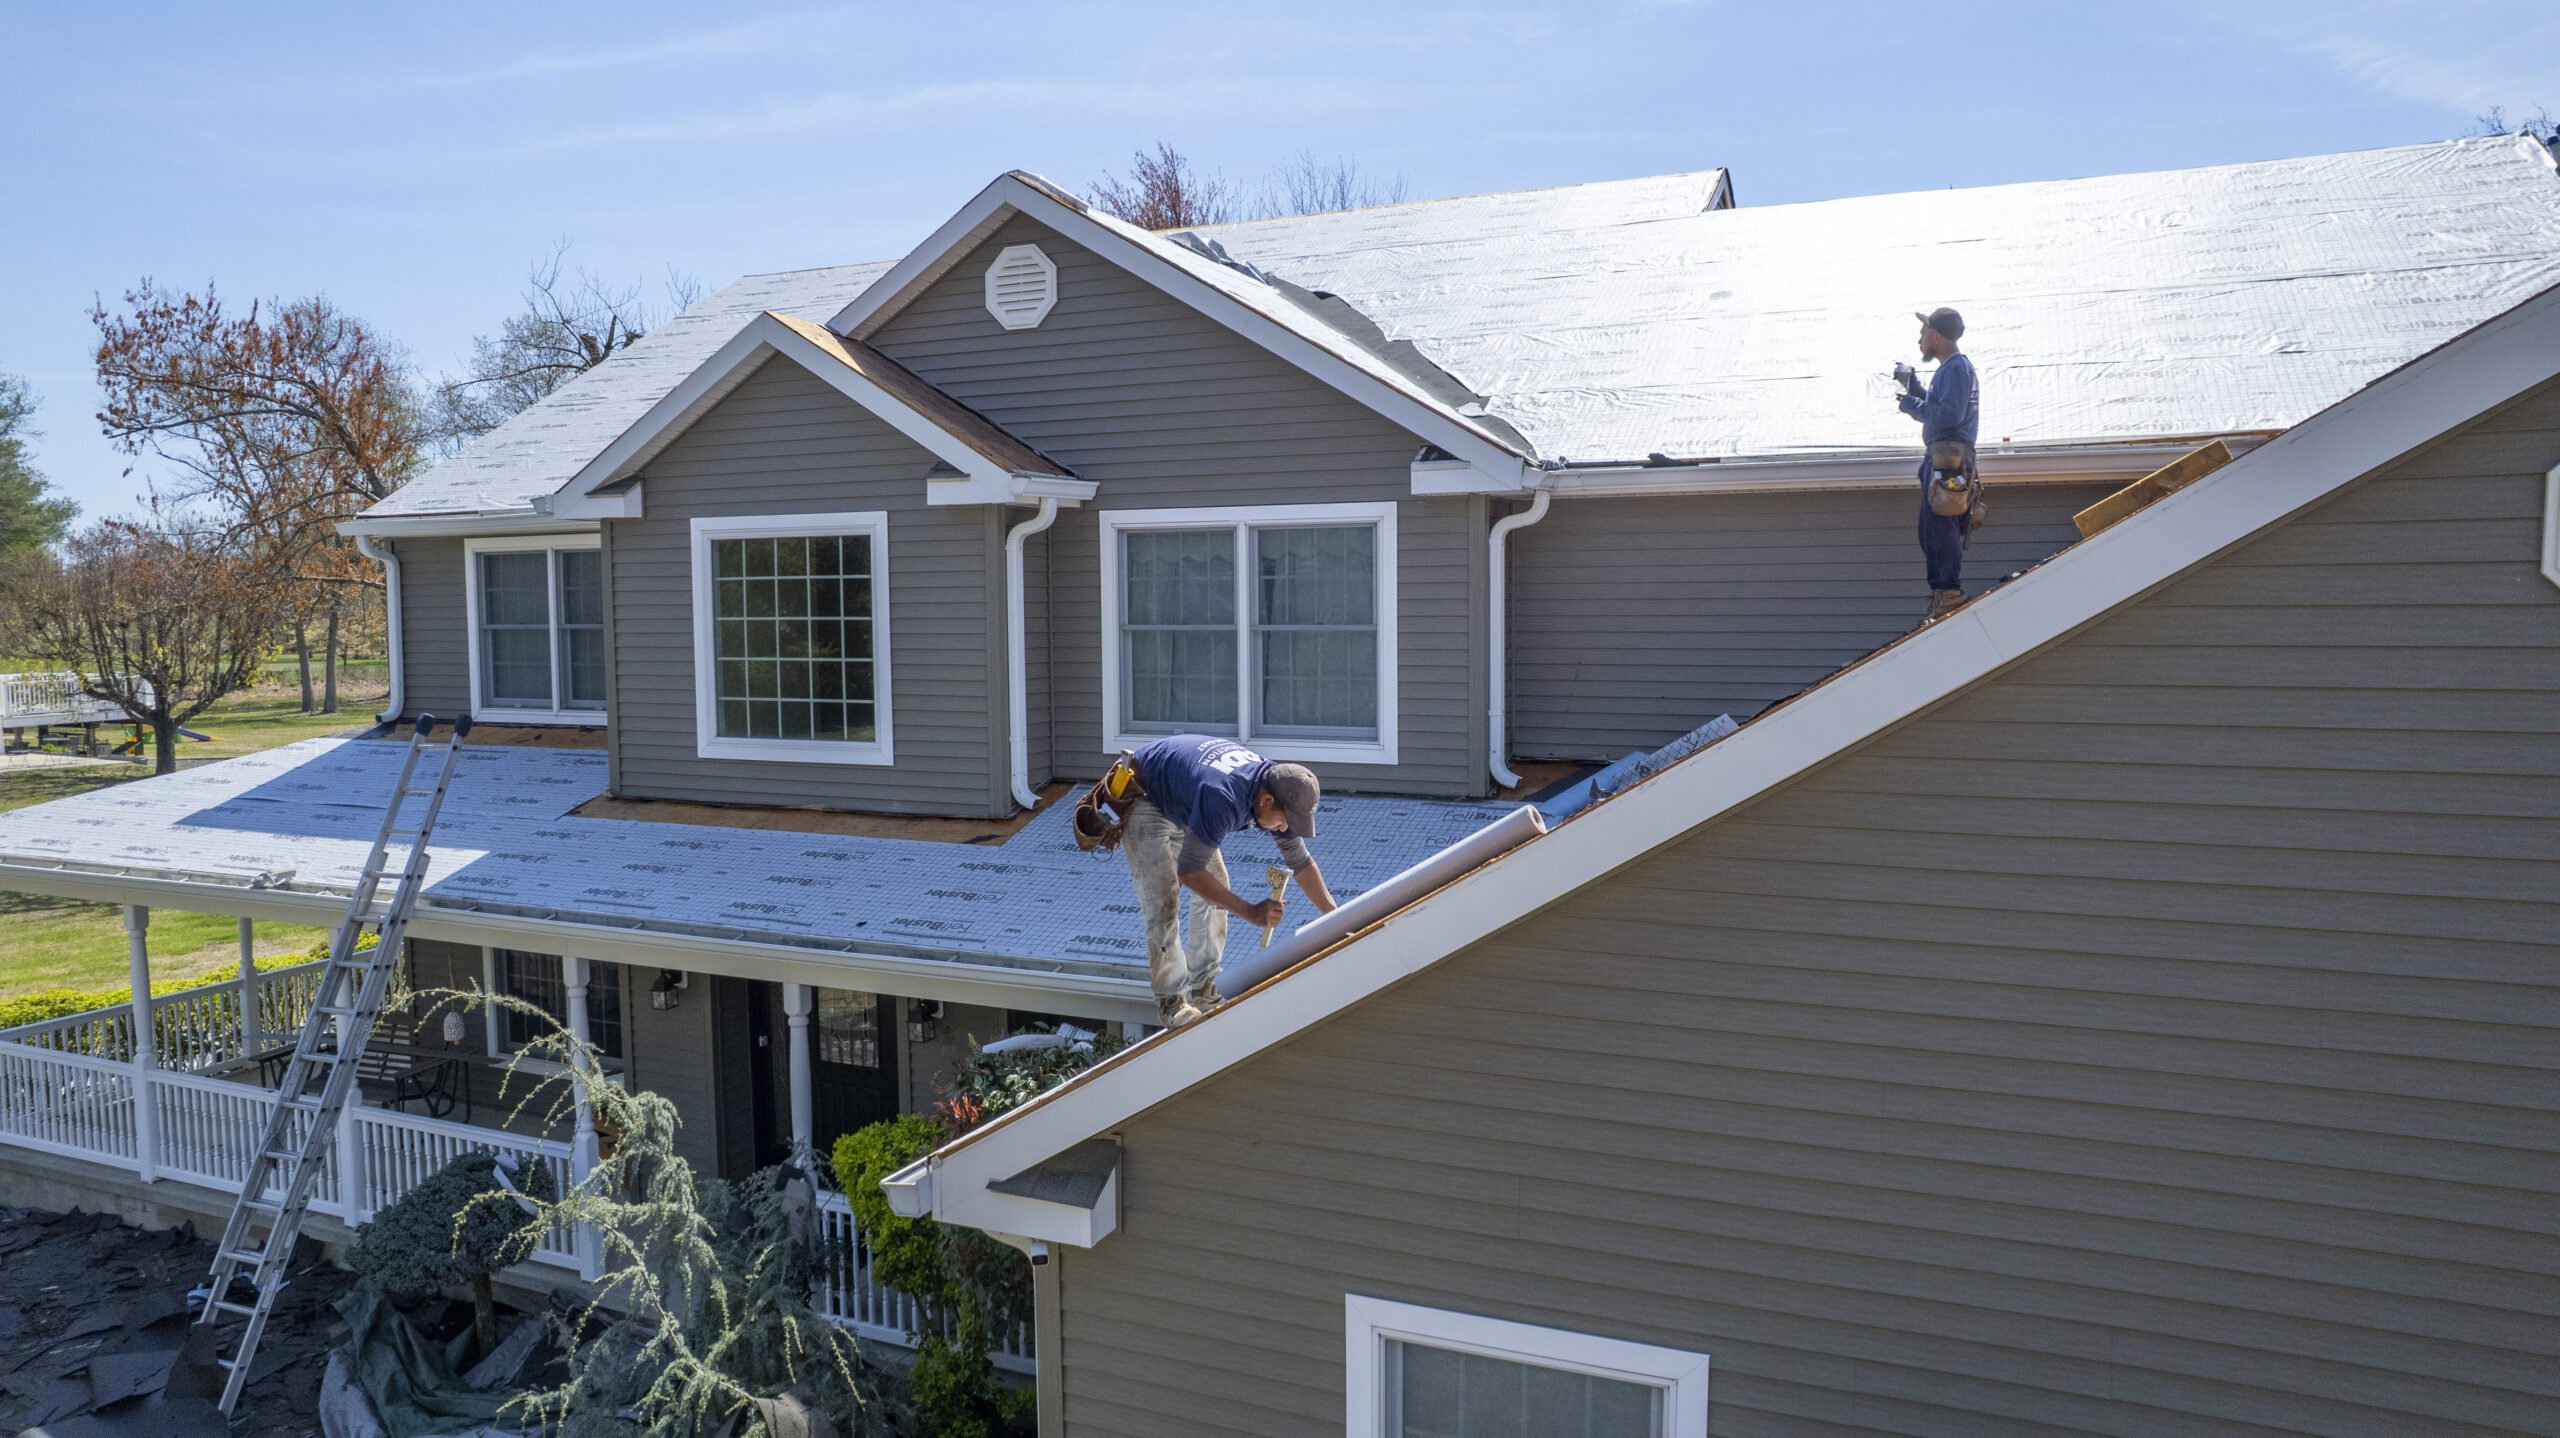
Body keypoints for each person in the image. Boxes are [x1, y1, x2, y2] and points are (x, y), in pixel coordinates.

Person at [1114, 734, 1339, 1027]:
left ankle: (1204, 989)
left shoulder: (1278, 784)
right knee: (1163, 902)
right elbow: (1190, 872)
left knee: (1217, 885)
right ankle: (1170, 1003)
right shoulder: (1223, 796)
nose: (1285, 829)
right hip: (1144, 795)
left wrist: (1336, 917)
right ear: (1266, 800)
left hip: (1185, 798)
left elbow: (1300, 861)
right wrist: (1249, 911)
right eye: (1284, 821)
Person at [1894, 306, 1981, 622]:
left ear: (1935, 335)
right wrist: (1913, 386)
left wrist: (1911, 405)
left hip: (1948, 459)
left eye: (1922, 333)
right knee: (1931, 530)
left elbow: (1948, 416)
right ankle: (1943, 592)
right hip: (1943, 458)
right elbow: (1940, 406)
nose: (1919, 340)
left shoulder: (1956, 368)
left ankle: (1949, 593)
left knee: (1939, 528)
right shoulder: (1952, 369)